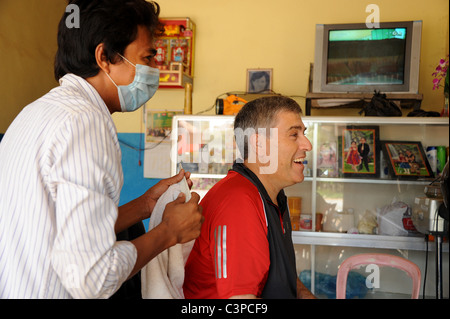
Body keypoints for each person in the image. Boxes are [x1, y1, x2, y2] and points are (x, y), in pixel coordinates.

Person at [0, 0, 203, 299]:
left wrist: (145, 206)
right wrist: (167, 233)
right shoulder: (86, 123)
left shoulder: (35, 113)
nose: (155, 69)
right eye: (148, 57)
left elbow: (64, 232)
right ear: (105, 56)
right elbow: (93, 277)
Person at [183, 96, 316, 299]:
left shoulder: (273, 195)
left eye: (303, 134)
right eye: (294, 134)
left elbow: (278, 271)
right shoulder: (238, 202)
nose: (307, 144)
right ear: (259, 145)